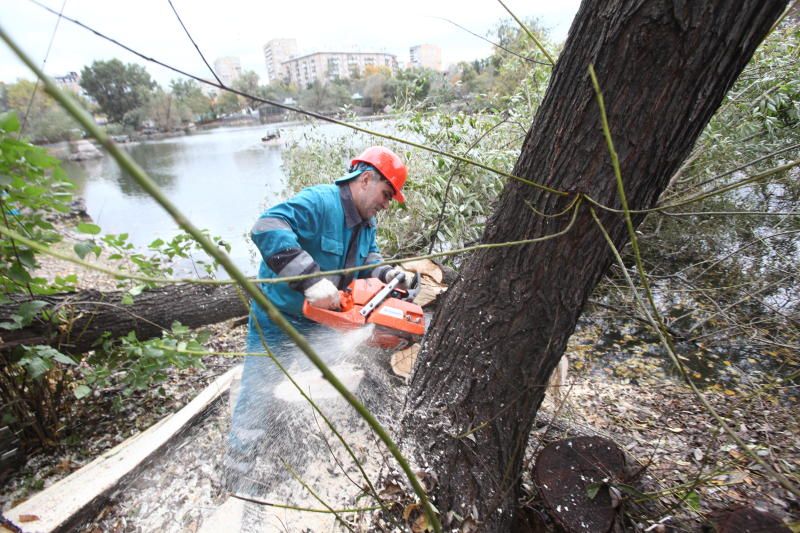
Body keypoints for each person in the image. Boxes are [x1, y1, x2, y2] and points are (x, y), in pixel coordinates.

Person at [225, 146, 411, 495]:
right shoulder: (320, 201)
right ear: (366, 178)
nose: (386, 204)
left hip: (321, 322)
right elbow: (266, 226)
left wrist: (386, 273)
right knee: (259, 389)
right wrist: (309, 277)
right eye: (387, 194)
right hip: (279, 318)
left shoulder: (365, 222)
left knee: (326, 378)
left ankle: (294, 442)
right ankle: (238, 471)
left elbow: (367, 256)